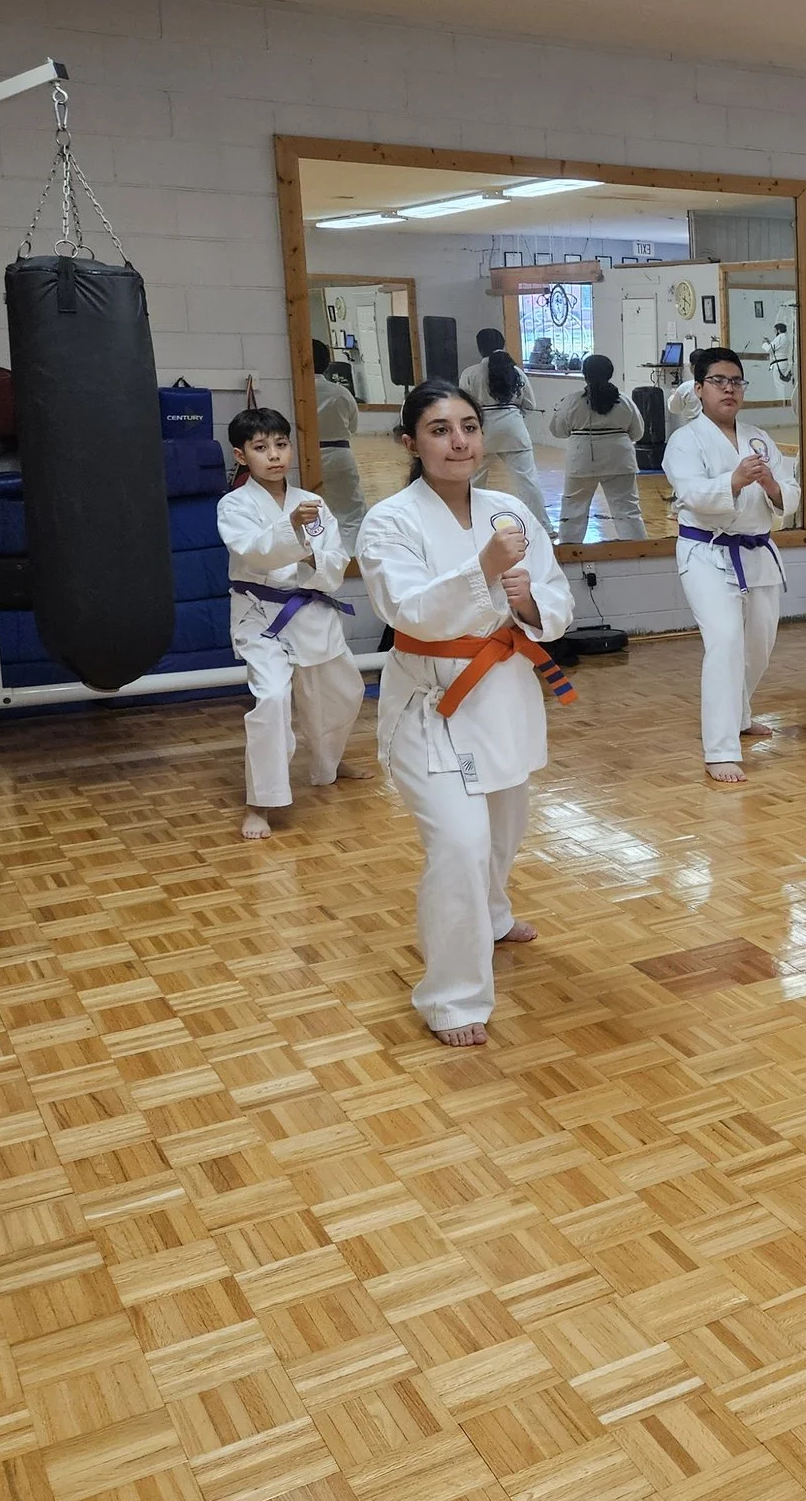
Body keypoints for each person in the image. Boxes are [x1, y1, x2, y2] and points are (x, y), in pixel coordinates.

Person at [358, 382, 575, 1047]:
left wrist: (530, 601)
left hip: (503, 694)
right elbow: (407, 612)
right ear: (410, 443)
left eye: (469, 426)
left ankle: (495, 910)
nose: (459, 441)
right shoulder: (388, 521)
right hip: (433, 706)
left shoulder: (509, 509)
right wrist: (483, 567)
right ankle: (452, 997)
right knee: (459, 842)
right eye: (440, 429)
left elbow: (558, 601)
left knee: (505, 828)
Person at [220, 407, 365, 839]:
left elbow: (336, 560)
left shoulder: (312, 502)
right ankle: (260, 803)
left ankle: (328, 763)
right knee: (271, 700)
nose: (274, 455)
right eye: (261, 448)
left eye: (281, 445)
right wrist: (294, 533)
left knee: (342, 691)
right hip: (260, 616)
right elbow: (254, 552)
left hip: (311, 608)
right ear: (242, 455)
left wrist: (312, 552)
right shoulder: (234, 504)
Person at [663, 346, 801, 782]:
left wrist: (773, 485)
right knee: (724, 641)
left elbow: (790, 495)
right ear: (699, 389)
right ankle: (719, 749)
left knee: (758, 643)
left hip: (756, 550)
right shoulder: (684, 441)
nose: (729, 389)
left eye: (736, 381)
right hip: (706, 552)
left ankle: (740, 713)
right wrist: (734, 481)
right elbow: (693, 495)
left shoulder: (758, 438)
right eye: (719, 381)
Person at [548, 354, 650, 543]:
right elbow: (638, 433)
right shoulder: (625, 401)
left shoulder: (572, 401)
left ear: (584, 374)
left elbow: (558, 430)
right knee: (628, 510)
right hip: (620, 459)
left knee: (573, 509)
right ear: (610, 373)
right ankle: (639, 552)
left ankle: (570, 553)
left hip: (582, 459)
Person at [461, 328, 546, 522]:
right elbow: (531, 405)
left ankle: (472, 525)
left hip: (482, 431)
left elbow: (464, 407)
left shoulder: (470, 373)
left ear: (480, 348)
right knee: (528, 482)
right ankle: (543, 527)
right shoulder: (516, 372)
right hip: (514, 428)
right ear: (503, 343)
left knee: (474, 481)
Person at [311, 339, 367, 542]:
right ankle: (354, 561)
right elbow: (352, 427)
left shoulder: (293, 392)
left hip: (305, 457)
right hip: (339, 454)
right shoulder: (340, 392)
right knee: (351, 513)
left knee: (310, 513)